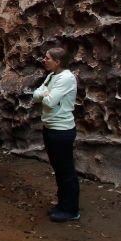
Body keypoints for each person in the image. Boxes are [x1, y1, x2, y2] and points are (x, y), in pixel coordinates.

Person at [33, 47, 80, 222]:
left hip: (61, 130)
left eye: (47, 58)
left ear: (58, 61)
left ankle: (71, 210)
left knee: (66, 170)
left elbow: (50, 102)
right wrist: (43, 93)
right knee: (58, 169)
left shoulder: (66, 78)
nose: (44, 60)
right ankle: (63, 204)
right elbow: (35, 94)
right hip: (50, 127)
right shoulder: (52, 76)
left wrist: (43, 94)